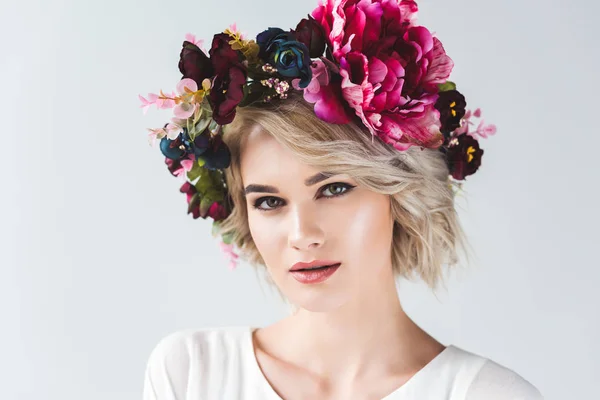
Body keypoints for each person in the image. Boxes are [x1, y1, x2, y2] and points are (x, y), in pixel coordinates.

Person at [139, 1, 543, 398]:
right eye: (269, 202)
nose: (303, 235)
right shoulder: (190, 373)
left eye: (333, 189)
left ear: (399, 193)